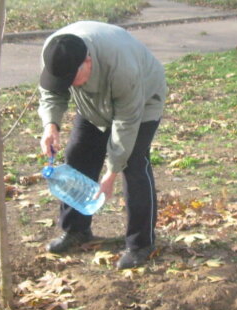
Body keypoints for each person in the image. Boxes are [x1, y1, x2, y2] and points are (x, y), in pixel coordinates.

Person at [38, 21, 167, 269]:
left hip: (142, 100)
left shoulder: (123, 68)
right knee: (78, 154)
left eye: (71, 78)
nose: (68, 84)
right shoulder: (54, 52)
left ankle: (141, 244)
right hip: (93, 103)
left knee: (133, 163)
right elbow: (51, 92)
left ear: (87, 61)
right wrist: (50, 125)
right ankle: (76, 230)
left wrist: (111, 171)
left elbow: (126, 123)